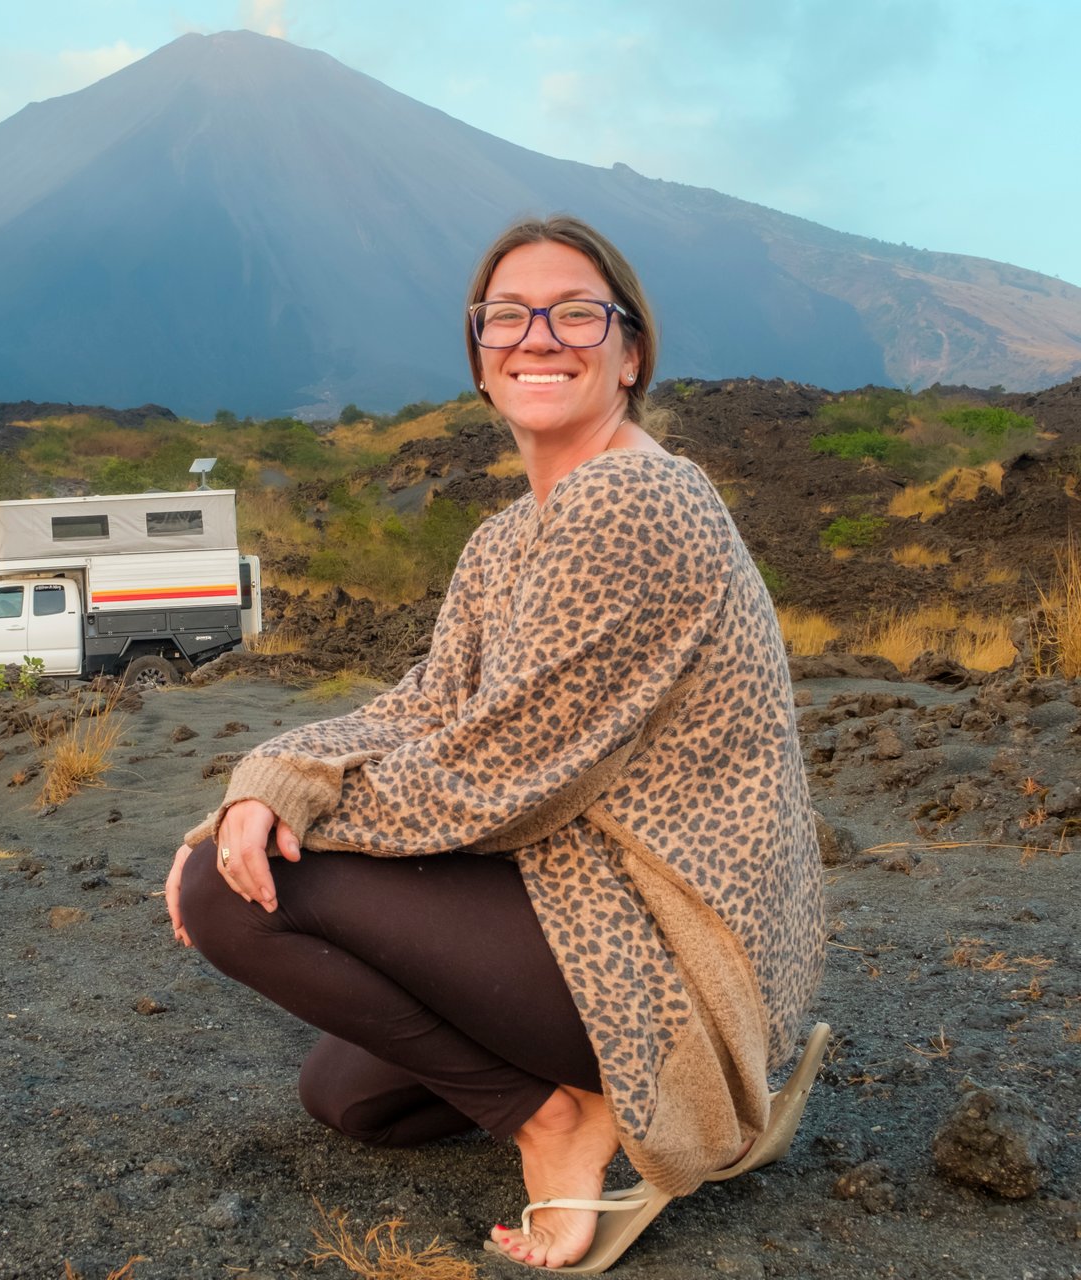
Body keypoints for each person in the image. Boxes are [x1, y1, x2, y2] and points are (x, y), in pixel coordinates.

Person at [164, 214, 827, 1273]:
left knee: (222, 886)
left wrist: (249, 822)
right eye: (507, 316)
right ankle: (573, 1098)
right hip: (576, 902)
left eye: (575, 312)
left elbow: (498, 773)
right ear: (478, 355)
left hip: (670, 956)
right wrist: (267, 774)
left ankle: (586, 1117)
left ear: (630, 351)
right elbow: (424, 705)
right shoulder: (508, 534)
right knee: (350, 1097)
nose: (539, 335)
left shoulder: (636, 497)